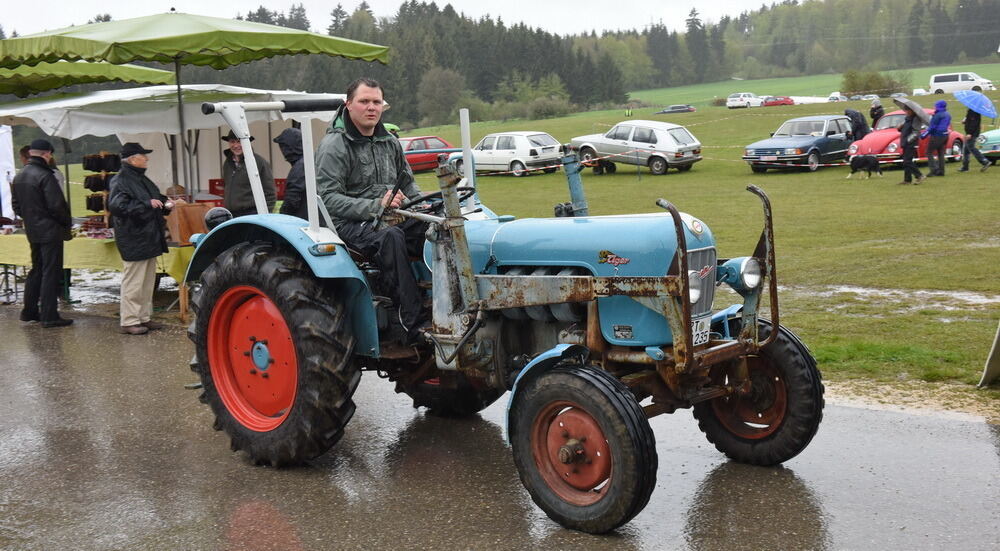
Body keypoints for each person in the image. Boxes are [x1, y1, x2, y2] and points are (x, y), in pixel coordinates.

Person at [315, 77, 427, 342]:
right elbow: (328, 199)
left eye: (376, 102)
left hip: (389, 218)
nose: (371, 107)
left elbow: (408, 183)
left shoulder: (388, 142)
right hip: (348, 225)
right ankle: (410, 321)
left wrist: (424, 207)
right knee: (390, 238)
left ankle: (452, 306)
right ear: (349, 105)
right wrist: (375, 206)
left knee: (437, 229)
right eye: (364, 101)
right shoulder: (335, 146)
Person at [107, 142, 179, 335]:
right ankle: (129, 320)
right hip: (134, 237)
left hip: (148, 236)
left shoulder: (141, 179)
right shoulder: (120, 180)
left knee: (147, 281)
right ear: (132, 159)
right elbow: (117, 207)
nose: (146, 159)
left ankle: (143, 317)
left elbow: (155, 198)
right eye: (143, 156)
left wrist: (166, 203)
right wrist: (147, 204)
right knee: (134, 281)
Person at [10, 139, 73, 327]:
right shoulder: (46, 175)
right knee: (50, 272)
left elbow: (16, 206)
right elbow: (57, 206)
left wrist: (31, 218)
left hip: (33, 230)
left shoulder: (20, 176)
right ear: (47, 154)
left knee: (37, 269)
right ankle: (49, 315)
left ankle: (29, 310)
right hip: (50, 230)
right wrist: (66, 223)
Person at [222, 130, 275, 217]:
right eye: (232, 142)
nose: (236, 145)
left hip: (252, 215)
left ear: (247, 142)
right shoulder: (227, 163)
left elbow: (269, 192)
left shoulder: (259, 162)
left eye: (239, 141)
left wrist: (264, 216)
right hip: (232, 215)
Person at [273, 128, 307, 220]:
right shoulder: (307, 162)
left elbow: (292, 199)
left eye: (282, 146)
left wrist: (283, 216)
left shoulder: (300, 167)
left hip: (302, 220)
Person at [897, 107, 925, 186]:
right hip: (905, 143)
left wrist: (907, 141)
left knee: (907, 161)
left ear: (912, 111)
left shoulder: (916, 119)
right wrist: (900, 127)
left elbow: (916, 133)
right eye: (906, 110)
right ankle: (907, 180)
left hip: (910, 143)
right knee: (905, 162)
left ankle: (919, 175)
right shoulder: (907, 119)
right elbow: (903, 130)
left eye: (908, 110)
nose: (906, 111)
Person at [958, 108, 991, 173]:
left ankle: (985, 161)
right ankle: (965, 167)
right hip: (971, 133)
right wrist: (965, 121)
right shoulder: (972, 110)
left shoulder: (973, 111)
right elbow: (971, 121)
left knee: (971, 148)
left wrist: (970, 133)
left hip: (972, 133)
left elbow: (973, 123)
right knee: (966, 150)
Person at [924, 100, 951, 177]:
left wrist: (924, 135)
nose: (934, 107)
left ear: (939, 106)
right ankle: (941, 171)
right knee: (940, 153)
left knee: (929, 151)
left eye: (936, 105)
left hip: (937, 135)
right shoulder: (947, 114)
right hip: (945, 135)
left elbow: (932, 127)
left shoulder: (938, 115)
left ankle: (933, 170)